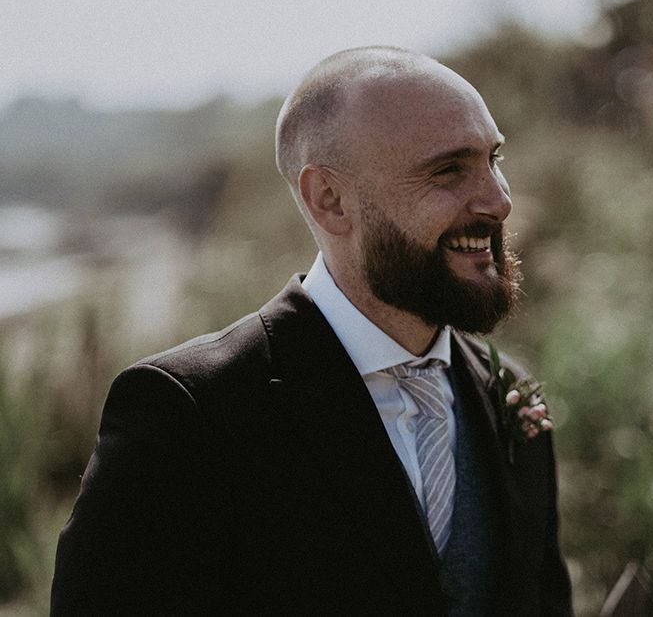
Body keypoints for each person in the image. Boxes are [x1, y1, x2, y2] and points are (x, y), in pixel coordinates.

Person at [51, 47, 572, 615]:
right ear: (329, 200)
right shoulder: (188, 413)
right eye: (448, 169)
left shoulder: (511, 399)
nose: (499, 199)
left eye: (493, 159)